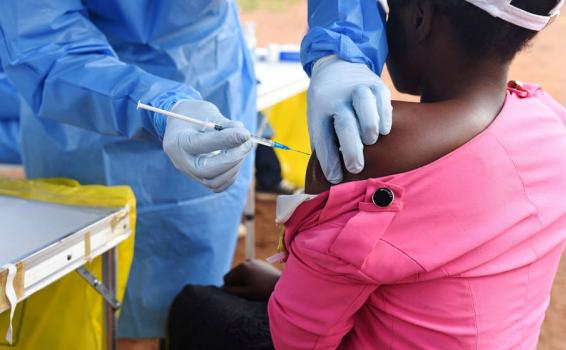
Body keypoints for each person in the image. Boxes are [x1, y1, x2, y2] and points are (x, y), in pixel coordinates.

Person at [168, 0, 566, 348]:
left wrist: (282, 287)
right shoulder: (549, 124)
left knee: (194, 307)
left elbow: (299, 339)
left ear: (421, 16)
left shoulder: (366, 149)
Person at [0, 0, 393, 343]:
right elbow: (41, 40)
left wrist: (343, 53)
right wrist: (160, 104)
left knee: (189, 308)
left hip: (208, 71)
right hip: (79, 106)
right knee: (86, 302)